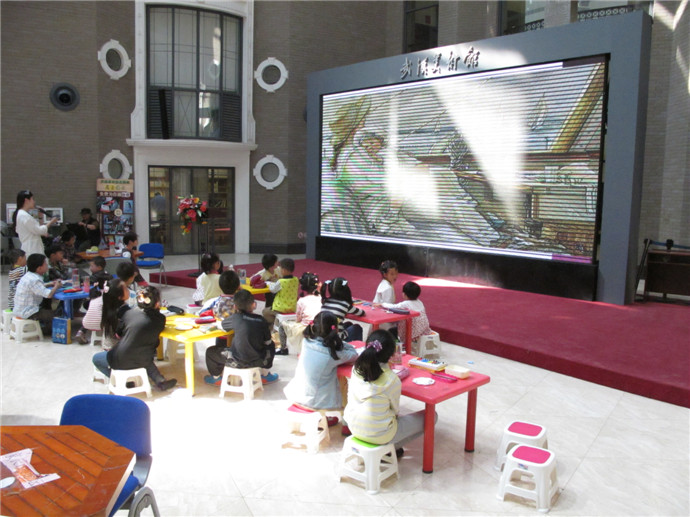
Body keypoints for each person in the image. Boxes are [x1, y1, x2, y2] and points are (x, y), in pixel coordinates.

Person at [344, 329, 432, 457]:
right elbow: (395, 411)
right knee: (431, 416)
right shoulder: (392, 379)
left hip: (353, 427)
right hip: (380, 435)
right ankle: (390, 448)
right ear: (391, 355)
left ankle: (389, 447)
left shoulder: (356, 369)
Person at [92, 285, 176, 391]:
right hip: (145, 358)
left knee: (96, 358)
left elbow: (118, 334)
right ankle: (160, 381)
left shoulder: (129, 314)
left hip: (120, 358)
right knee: (141, 355)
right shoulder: (161, 319)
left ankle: (124, 382)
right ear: (157, 303)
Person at [283, 311, 358, 420]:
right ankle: (345, 420)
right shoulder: (332, 353)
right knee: (344, 383)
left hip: (296, 393)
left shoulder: (306, 341)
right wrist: (338, 342)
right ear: (335, 329)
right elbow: (353, 354)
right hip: (314, 401)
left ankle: (327, 419)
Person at [204, 289, 278, 386]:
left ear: (235, 306)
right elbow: (267, 341)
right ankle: (265, 374)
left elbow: (222, 325)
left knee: (210, 351)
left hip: (237, 361)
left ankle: (216, 378)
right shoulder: (261, 320)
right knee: (271, 345)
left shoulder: (236, 318)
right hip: (259, 360)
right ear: (254, 305)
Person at [13, 253, 62, 334]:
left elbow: (36, 288)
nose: (47, 265)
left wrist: (49, 284)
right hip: (29, 312)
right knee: (57, 316)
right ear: (39, 268)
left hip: (19, 310)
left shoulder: (29, 276)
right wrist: (56, 286)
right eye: (45, 264)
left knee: (49, 310)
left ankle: (43, 327)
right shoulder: (35, 280)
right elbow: (48, 295)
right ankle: (44, 331)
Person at [277, 272, 322, 355]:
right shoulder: (320, 298)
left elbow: (298, 319)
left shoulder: (301, 301)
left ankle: (283, 349)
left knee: (282, 325)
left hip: (305, 327)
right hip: (319, 326)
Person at [78, 278, 129, 348]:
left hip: (107, 346)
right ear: (119, 297)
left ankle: (81, 331)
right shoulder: (122, 310)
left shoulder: (107, 304)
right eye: (126, 289)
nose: (128, 290)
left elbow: (85, 305)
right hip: (117, 349)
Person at [13, 190, 59, 256]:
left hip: (32, 246)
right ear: (26, 200)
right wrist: (51, 221)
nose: (34, 202)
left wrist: (40, 217)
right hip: (32, 248)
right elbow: (39, 230)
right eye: (32, 199)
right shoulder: (24, 215)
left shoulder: (22, 214)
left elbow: (35, 229)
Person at [320, 277, 365, 342]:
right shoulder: (345, 304)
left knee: (349, 324)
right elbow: (361, 313)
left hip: (325, 335)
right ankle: (357, 346)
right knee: (357, 327)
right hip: (337, 338)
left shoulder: (325, 301)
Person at [262, 257, 299, 328]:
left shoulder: (281, 282)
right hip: (292, 307)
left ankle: (276, 323)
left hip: (280, 308)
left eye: (280, 268)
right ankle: (280, 321)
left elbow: (272, 289)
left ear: (284, 270)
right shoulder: (296, 280)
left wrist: (268, 283)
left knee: (265, 312)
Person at [373, 259, 399, 333]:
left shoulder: (384, 283)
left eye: (396, 273)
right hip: (384, 319)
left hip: (377, 315)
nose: (395, 276)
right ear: (385, 275)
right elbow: (388, 306)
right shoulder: (388, 288)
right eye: (392, 274)